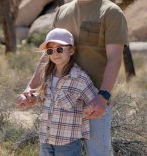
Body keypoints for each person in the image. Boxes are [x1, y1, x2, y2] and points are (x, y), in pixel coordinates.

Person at [17, 0, 128, 156]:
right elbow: (48, 54)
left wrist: (103, 97)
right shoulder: (62, 12)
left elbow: (115, 58)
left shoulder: (111, 13)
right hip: (61, 101)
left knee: (98, 153)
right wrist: (31, 88)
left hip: (92, 100)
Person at [18, 28, 97, 156]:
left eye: (60, 49)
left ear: (71, 50)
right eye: (50, 50)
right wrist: (33, 98)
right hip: (46, 139)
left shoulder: (80, 78)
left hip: (68, 143)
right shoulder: (47, 75)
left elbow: (94, 101)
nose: (55, 53)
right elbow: (46, 97)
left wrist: (90, 108)